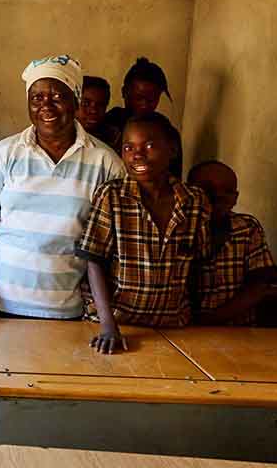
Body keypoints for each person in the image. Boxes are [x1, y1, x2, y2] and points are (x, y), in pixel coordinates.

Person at [0, 56, 125, 336]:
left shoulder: (105, 162)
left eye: (57, 96)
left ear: (76, 102)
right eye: (37, 97)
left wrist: (106, 319)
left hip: (65, 310)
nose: (46, 105)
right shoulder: (5, 154)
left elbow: (110, 245)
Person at [78, 113, 211, 354]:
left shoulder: (194, 201)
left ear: (172, 150)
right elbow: (94, 260)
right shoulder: (112, 196)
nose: (137, 155)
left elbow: (197, 266)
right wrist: (108, 325)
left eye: (148, 145)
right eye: (128, 147)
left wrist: (197, 316)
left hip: (173, 325)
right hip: (116, 323)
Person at [187, 160, 277, 325]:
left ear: (235, 198)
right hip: (183, 327)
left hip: (237, 327)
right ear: (187, 191)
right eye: (207, 189)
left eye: (228, 191)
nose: (218, 196)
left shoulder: (246, 228)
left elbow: (259, 285)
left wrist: (212, 319)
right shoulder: (178, 228)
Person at [102, 57, 183, 177]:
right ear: (124, 92)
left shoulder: (166, 132)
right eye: (138, 98)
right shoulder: (107, 124)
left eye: (151, 99)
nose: (144, 105)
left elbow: (174, 177)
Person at [78, 76, 120, 147]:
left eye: (101, 105)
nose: (93, 110)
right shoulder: (61, 136)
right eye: (86, 104)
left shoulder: (113, 138)